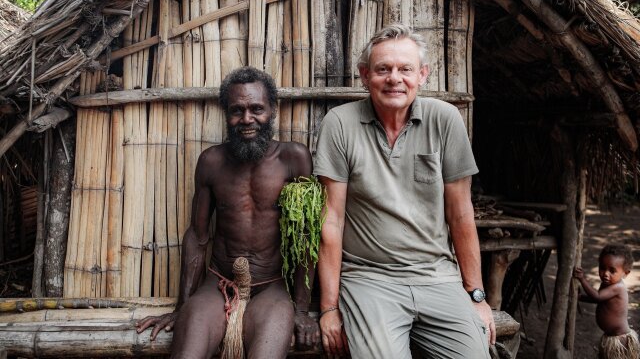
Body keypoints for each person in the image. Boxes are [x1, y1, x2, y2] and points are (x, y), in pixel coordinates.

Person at [313, 23, 495, 358]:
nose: (395, 78)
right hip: (369, 279)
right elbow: (332, 220)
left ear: (422, 75)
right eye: (383, 69)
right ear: (365, 75)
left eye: (405, 69)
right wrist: (328, 309)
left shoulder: (446, 120)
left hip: (437, 275)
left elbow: (460, 213)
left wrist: (476, 295)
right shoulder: (340, 124)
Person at [136, 66, 319, 358]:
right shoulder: (211, 161)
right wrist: (181, 308)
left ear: (272, 110)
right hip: (217, 283)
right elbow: (198, 237)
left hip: (270, 287)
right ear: (226, 113)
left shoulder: (293, 158)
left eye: (256, 109)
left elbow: (306, 240)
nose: (247, 119)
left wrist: (301, 309)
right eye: (237, 110)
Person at [574, 244, 638, 359]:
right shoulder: (607, 284)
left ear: (625, 273)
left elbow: (597, 296)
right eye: (602, 268)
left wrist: (582, 279)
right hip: (610, 337)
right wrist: (582, 297)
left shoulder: (618, 287)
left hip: (620, 339)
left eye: (612, 271)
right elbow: (600, 300)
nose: (605, 274)